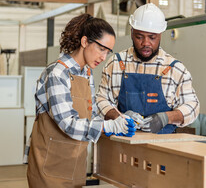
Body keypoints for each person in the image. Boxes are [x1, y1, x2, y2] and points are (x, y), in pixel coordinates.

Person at [25, 14, 135, 188]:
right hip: (50, 167)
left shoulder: (87, 73)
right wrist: (107, 127)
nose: (103, 57)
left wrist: (118, 117)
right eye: (101, 49)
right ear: (85, 42)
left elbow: (88, 114)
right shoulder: (57, 73)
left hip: (75, 163)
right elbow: (67, 123)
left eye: (108, 52)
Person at [96, 3, 200, 134]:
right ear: (132, 33)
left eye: (152, 37)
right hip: (123, 144)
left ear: (160, 35)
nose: (145, 43)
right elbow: (101, 100)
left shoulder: (175, 69)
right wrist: (119, 117)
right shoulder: (116, 64)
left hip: (162, 146)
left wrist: (165, 118)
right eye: (139, 37)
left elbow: (193, 107)